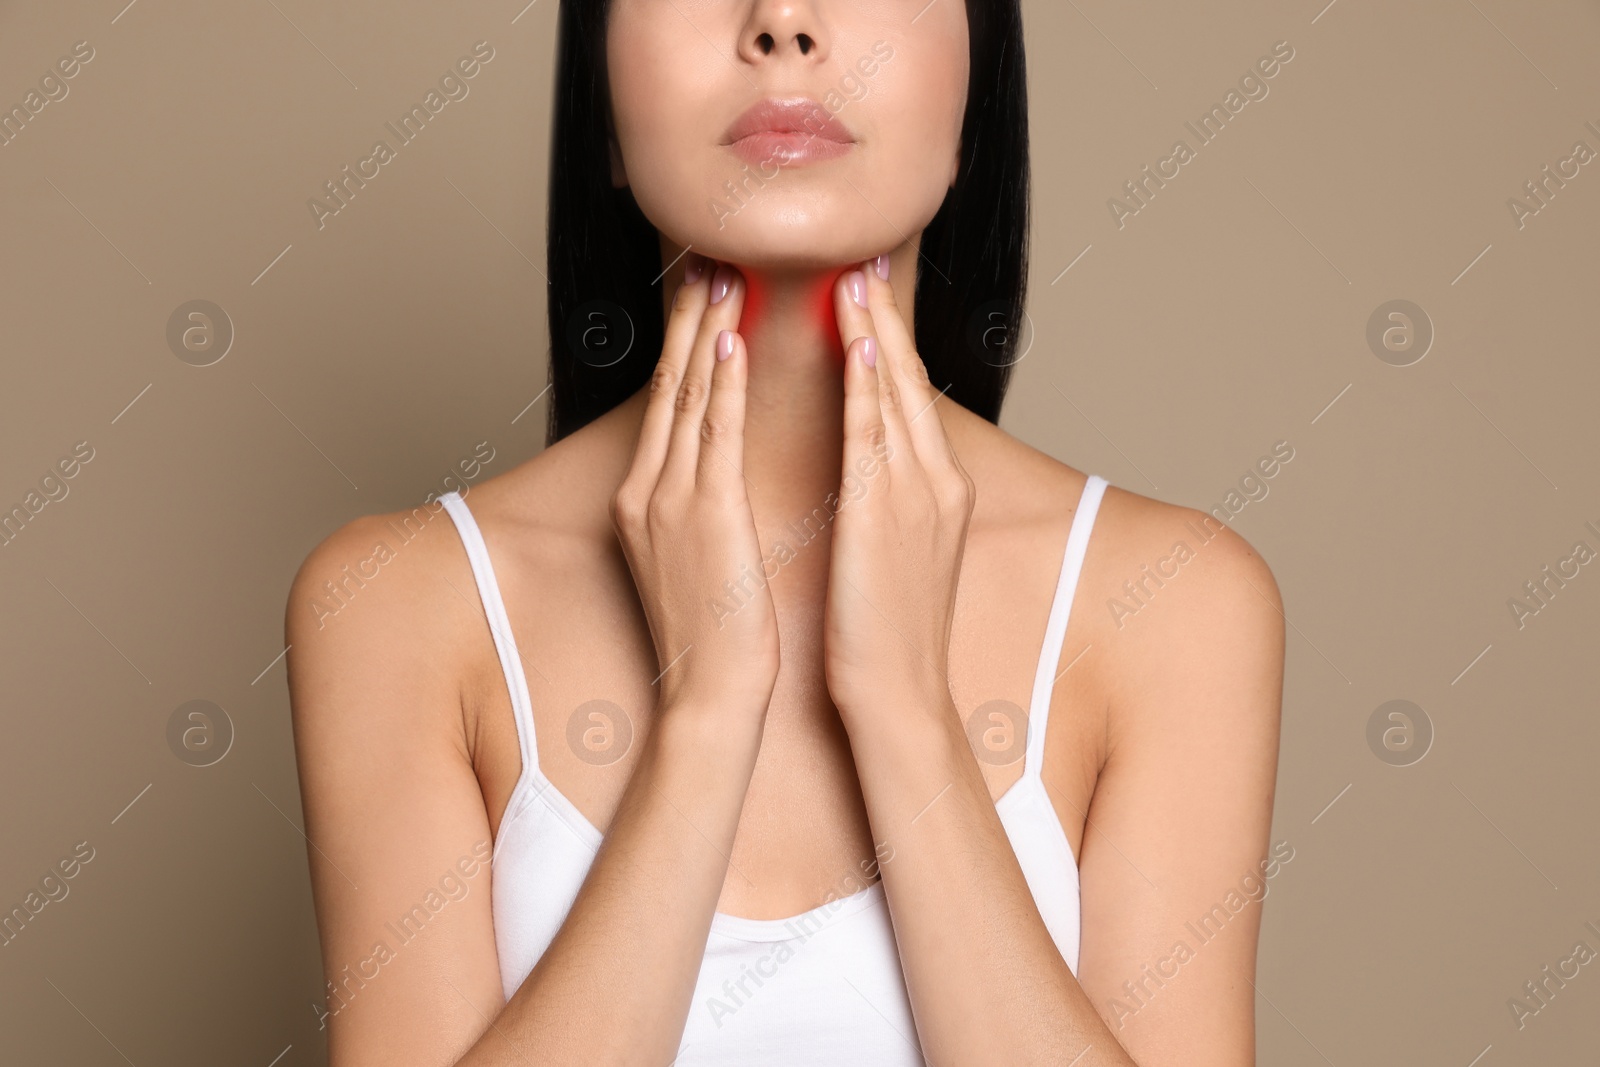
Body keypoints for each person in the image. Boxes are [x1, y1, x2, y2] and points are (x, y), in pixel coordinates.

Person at [285, 2, 1285, 1064]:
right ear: (605, 103)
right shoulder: (395, 603)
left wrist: (903, 709)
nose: (783, 21)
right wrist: (707, 714)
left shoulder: (1176, 601)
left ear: (974, 94)